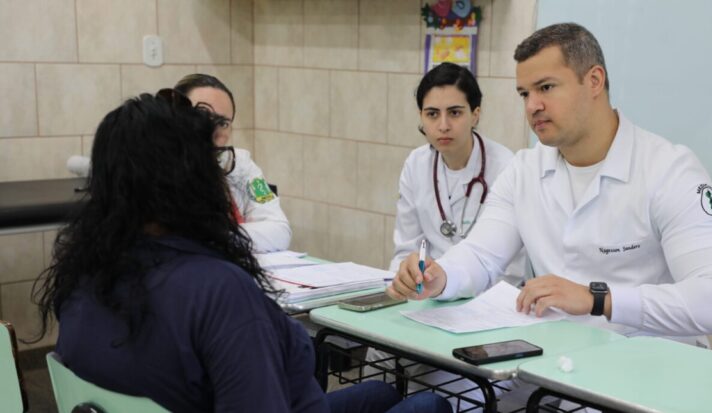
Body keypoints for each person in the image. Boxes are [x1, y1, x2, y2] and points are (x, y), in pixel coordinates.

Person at [32, 92, 451, 413]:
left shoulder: (82, 273)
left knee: (378, 391)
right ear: (191, 178)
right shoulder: (218, 292)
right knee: (431, 405)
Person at [389, 23, 712, 348]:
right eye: (524, 94)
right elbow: (482, 255)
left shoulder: (670, 171)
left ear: (594, 81)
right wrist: (441, 277)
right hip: (559, 364)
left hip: (653, 369)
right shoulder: (524, 170)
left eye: (545, 88)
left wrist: (599, 299)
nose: (533, 106)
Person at [367, 62, 526, 409]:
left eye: (455, 112)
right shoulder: (416, 164)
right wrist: (408, 278)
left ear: (476, 114)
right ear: (421, 118)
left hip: (484, 309)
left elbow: (509, 273)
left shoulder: (507, 167)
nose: (443, 125)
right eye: (432, 113)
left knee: (456, 392)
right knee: (376, 353)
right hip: (427, 302)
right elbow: (405, 248)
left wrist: (449, 289)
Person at [174, 73, 291, 253]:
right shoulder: (153, 167)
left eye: (223, 122)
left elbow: (279, 231)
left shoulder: (242, 167)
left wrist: (219, 237)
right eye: (202, 115)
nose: (213, 128)